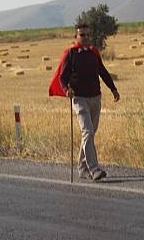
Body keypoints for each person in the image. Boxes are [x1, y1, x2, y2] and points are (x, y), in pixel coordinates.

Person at [48, 23, 120, 181]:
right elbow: (62, 77)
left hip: (96, 97)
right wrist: (67, 90)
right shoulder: (71, 54)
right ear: (76, 37)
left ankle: (82, 168)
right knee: (87, 132)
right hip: (80, 99)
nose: (86, 37)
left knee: (90, 134)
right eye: (82, 35)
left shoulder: (94, 52)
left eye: (88, 34)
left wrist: (113, 89)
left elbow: (102, 71)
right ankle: (94, 169)